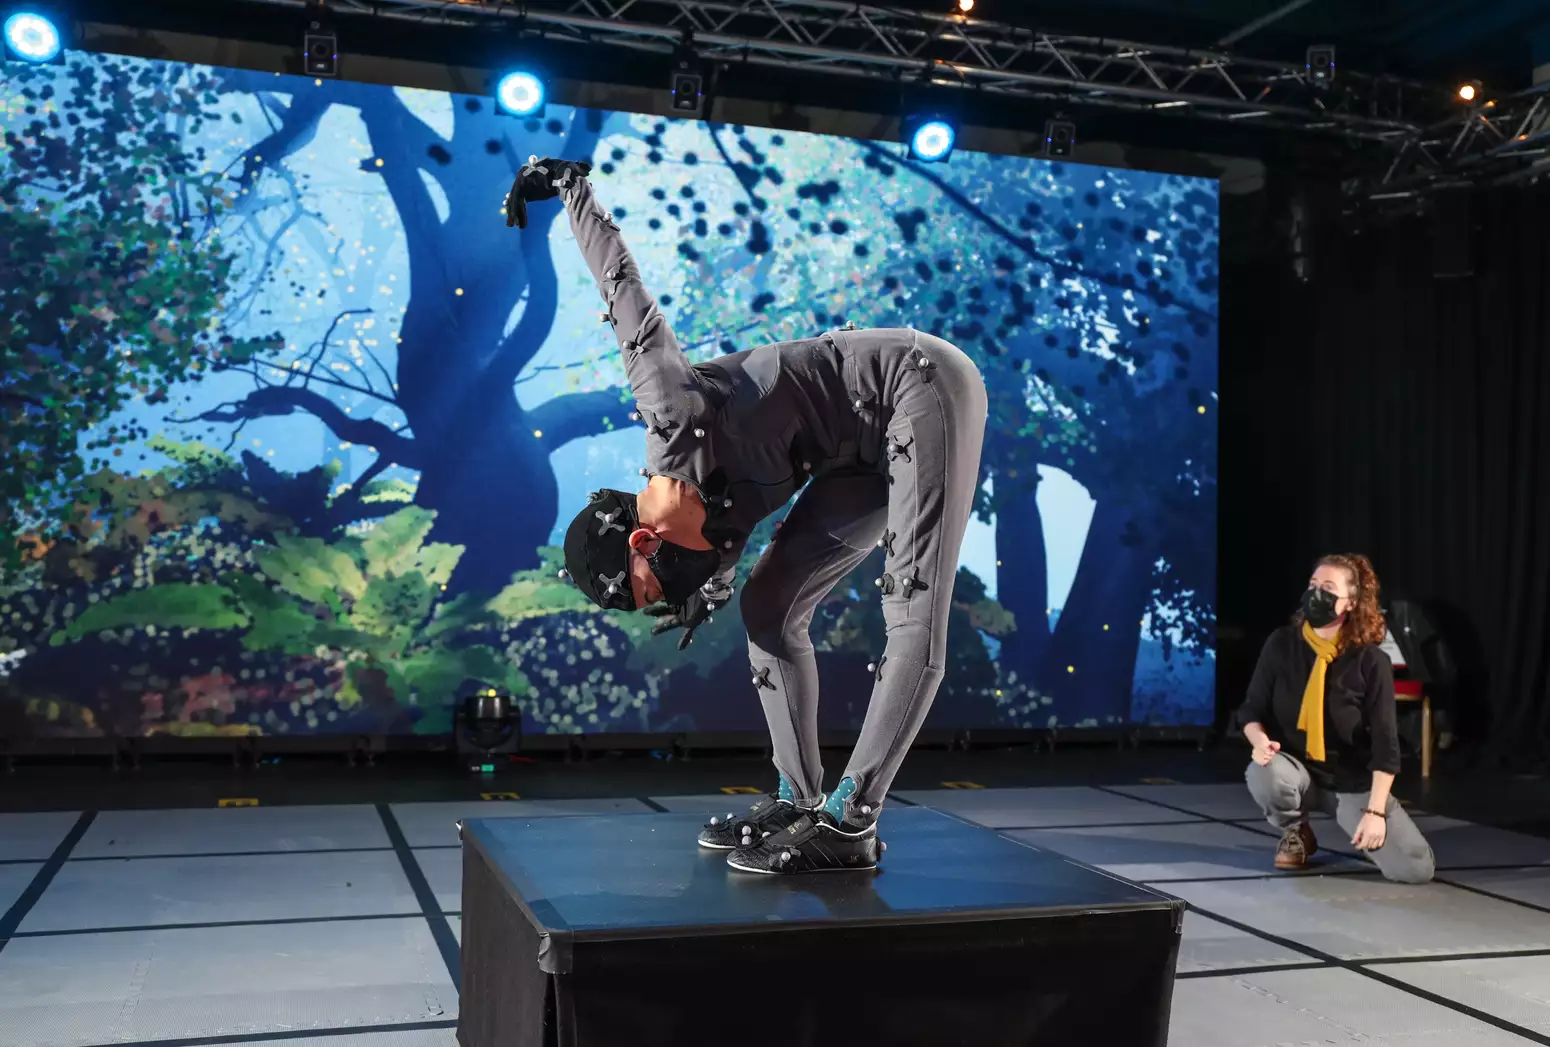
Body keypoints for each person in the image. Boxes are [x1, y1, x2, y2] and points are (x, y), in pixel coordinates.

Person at [504, 158, 987, 875]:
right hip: (853, 462)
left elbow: (621, 289)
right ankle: (799, 800)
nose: (663, 599)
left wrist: (571, 189)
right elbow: (728, 587)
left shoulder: (671, 415)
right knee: (768, 607)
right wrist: (709, 590)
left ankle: (851, 822)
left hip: (914, 385)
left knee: (912, 608)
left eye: (646, 589)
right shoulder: (704, 551)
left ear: (642, 540)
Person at [1235, 554, 1435, 884]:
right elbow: (1251, 710)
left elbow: (1386, 744)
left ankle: (1361, 829)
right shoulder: (1281, 643)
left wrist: (1375, 812)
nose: (1316, 594)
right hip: (1297, 773)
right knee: (1264, 772)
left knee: (1415, 870)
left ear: (1351, 603)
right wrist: (1259, 742)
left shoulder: (1371, 661)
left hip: (1351, 781)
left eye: (1328, 588)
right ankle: (1296, 832)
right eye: (1313, 585)